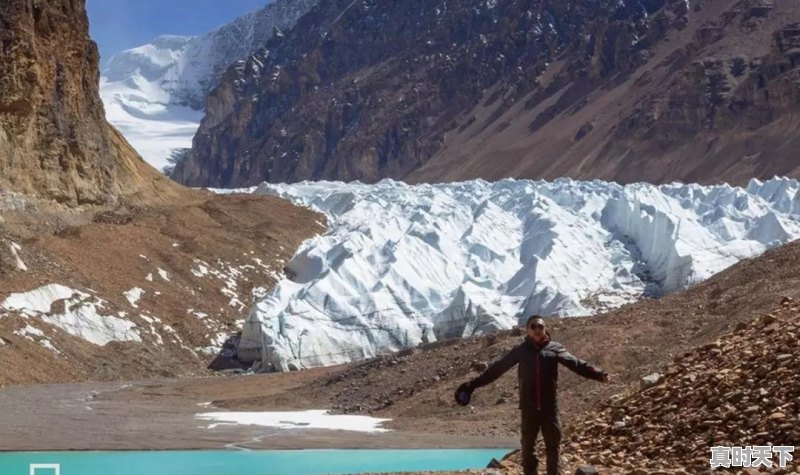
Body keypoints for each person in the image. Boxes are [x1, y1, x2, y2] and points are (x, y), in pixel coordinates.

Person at [456, 316, 611, 475]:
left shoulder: (555, 348)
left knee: (553, 447)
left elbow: (577, 364)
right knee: (528, 449)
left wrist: (598, 374)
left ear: (545, 329)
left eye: (540, 327)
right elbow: (497, 369)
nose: (537, 329)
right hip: (528, 409)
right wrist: (472, 385)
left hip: (550, 408)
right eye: (533, 326)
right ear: (527, 330)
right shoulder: (520, 351)